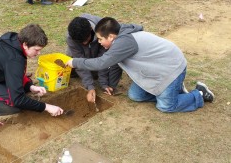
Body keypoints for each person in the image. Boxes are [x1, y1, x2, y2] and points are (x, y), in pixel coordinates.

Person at [67, 17, 214, 112]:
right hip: (156, 70)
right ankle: (172, 91)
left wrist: (75, 62)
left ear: (111, 37)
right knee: (135, 95)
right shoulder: (118, 39)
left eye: (100, 39)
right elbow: (114, 64)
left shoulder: (124, 43)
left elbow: (103, 62)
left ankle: (199, 93)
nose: (98, 42)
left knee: (166, 106)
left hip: (171, 69)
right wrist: (107, 84)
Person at [66, 14, 123, 103]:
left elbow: (103, 59)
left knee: (108, 73)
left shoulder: (103, 31)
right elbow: (79, 61)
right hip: (84, 57)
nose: (84, 44)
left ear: (91, 30)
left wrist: (103, 83)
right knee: (71, 69)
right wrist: (90, 87)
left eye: (86, 40)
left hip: (100, 56)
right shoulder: (71, 37)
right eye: (80, 43)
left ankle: (97, 74)